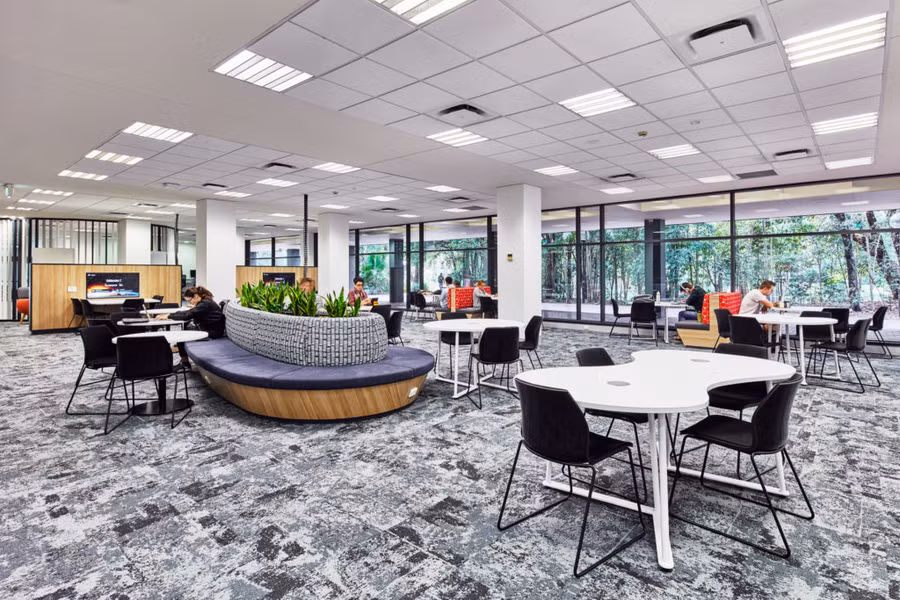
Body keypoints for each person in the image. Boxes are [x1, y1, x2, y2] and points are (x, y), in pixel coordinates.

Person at [156, 286, 225, 367]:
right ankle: (184, 362)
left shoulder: (204, 304)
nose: (190, 303)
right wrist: (170, 315)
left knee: (181, 338)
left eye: (189, 300)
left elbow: (187, 315)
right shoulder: (205, 302)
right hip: (210, 329)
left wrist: (168, 316)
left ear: (195, 296)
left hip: (212, 333)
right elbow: (189, 312)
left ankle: (184, 363)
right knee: (184, 331)